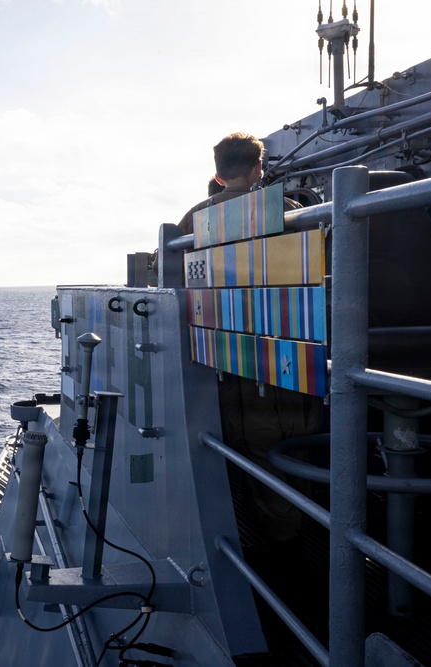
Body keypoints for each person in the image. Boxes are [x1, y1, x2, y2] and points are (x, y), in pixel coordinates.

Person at [177, 131, 325, 542]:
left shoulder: (193, 220)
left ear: (219, 174)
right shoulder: (288, 211)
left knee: (236, 457)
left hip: (218, 359)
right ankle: (290, 554)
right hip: (278, 355)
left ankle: (255, 546)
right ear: (259, 168)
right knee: (284, 458)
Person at [177, 131, 302, 235]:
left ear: (218, 178)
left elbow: (165, 257)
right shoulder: (290, 208)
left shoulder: (195, 217)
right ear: (258, 169)